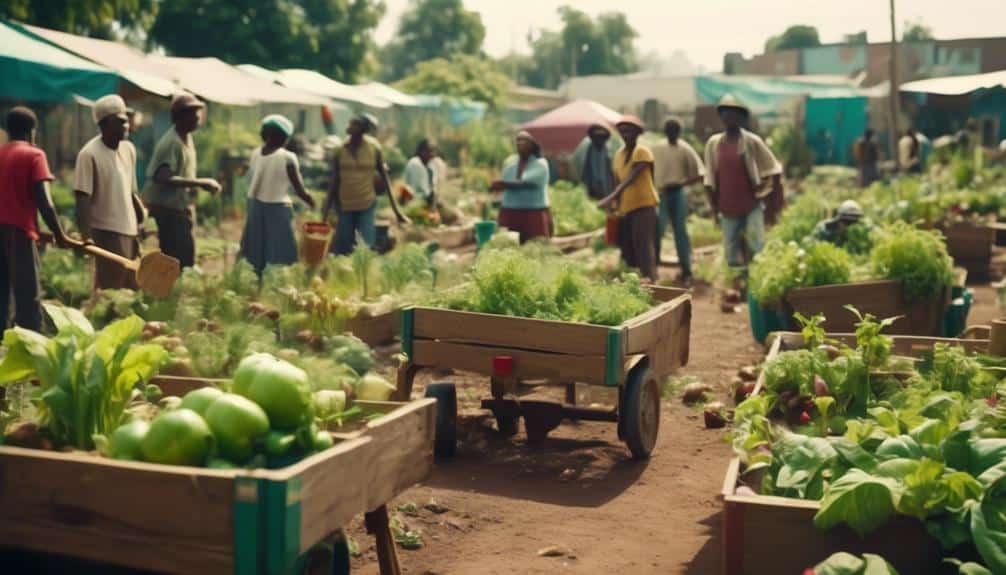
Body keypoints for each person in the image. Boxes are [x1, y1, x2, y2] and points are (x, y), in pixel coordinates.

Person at [0, 107, 79, 331]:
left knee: (2, 293)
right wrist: (60, 235)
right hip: (18, 232)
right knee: (27, 295)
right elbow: (44, 201)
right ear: (32, 132)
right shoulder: (34, 154)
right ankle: (31, 347)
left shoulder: (1, 153)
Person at [74, 94, 146, 291]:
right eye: (121, 122)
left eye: (126, 121)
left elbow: (131, 191)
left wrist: (141, 219)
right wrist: (86, 235)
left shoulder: (128, 149)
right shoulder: (89, 154)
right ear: (105, 124)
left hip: (129, 230)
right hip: (106, 232)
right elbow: (82, 197)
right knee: (111, 290)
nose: (126, 125)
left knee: (132, 287)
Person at [703, 95, 782, 272]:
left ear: (741, 118)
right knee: (731, 252)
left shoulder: (752, 141)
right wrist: (714, 209)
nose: (730, 118)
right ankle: (737, 286)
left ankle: (755, 283)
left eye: (734, 115)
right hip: (727, 206)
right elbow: (709, 179)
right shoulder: (714, 144)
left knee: (757, 247)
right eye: (725, 114)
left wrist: (768, 195)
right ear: (721, 117)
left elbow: (774, 169)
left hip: (751, 204)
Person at [142, 92, 221, 268]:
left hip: (177, 207)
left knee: (183, 254)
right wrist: (201, 183)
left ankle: (173, 290)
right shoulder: (172, 142)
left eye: (198, 113)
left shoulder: (186, 138)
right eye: (193, 114)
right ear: (181, 117)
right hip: (167, 209)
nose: (198, 118)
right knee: (177, 256)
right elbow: (163, 177)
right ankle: (169, 291)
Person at [239, 115, 316, 275]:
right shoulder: (287, 157)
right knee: (280, 247)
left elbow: (251, 177)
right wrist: (311, 201)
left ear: (266, 135)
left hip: (254, 204)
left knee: (256, 244)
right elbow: (299, 189)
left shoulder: (256, 153)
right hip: (277, 206)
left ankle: (256, 276)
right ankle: (278, 278)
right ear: (284, 137)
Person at [323, 115, 407, 255]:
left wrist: (397, 211)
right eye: (350, 123)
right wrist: (325, 212)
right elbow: (334, 181)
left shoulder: (373, 148)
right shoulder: (340, 150)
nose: (349, 126)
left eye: (353, 124)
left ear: (362, 129)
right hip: (345, 205)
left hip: (366, 203)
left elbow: (385, 178)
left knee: (365, 247)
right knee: (343, 247)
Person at [598, 115, 660, 282]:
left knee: (643, 248)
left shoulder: (642, 151)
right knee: (628, 248)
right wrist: (614, 204)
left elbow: (630, 178)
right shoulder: (619, 154)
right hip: (626, 207)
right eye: (623, 131)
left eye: (630, 130)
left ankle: (651, 282)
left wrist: (611, 197)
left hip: (644, 206)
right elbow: (616, 180)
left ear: (637, 133)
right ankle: (635, 282)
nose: (626, 134)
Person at [652, 117, 704, 282]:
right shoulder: (657, 148)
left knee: (680, 231)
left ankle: (686, 269)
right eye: (669, 130)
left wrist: (684, 182)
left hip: (678, 191)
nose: (672, 134)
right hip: (661, 193)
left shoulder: (684, 149)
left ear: (679, 132)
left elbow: (699, 173)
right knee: (657, 230)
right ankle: (653, 268)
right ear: (665, 131)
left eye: (675, 131)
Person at [491, 131, 552, 243]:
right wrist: (498, 187)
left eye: (524, 140)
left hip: (533, 211)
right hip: (511, 210)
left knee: (535, 244)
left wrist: (504, 184)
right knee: (510, 244)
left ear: (532, 145)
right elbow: (506, 181)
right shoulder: (510, 164)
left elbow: (530, 182)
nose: (520, 143)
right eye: (518, 140)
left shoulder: (540, 164)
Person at [581, 124, 615, 200]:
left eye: (602, 137)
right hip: (592, 185)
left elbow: (611, 170)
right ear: (593, 138)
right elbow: (585, 168)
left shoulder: (608, 150)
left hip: (606, 186)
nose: (599, 139)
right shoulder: (589, 149)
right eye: (597, 136)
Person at [402, 138, 437, 209]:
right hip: (413, 204)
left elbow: (431, 189)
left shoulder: (429, 166)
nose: (432, 154)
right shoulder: (415, 164)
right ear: (422, 151)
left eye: (433, 151)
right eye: (429, 151)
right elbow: (418, 192)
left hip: (423, 203)